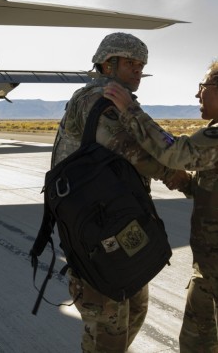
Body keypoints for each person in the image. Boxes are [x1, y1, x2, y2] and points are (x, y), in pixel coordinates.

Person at [103, 59, 218, 352]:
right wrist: (186, 182)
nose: (197, 95)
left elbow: (175, 152)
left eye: (203, 87)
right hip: (209, 270)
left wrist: (131, 112)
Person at [52, 32, 188, 352]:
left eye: (141, 64)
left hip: (115, 221)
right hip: (96, 231)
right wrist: (178, 177)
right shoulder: (95, 100)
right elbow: (133, 151)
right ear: (107, 63)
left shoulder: (117, 100)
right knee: (108, 325)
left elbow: (149, 140)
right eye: (130, 63)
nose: (138, 69)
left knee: (133, 309)